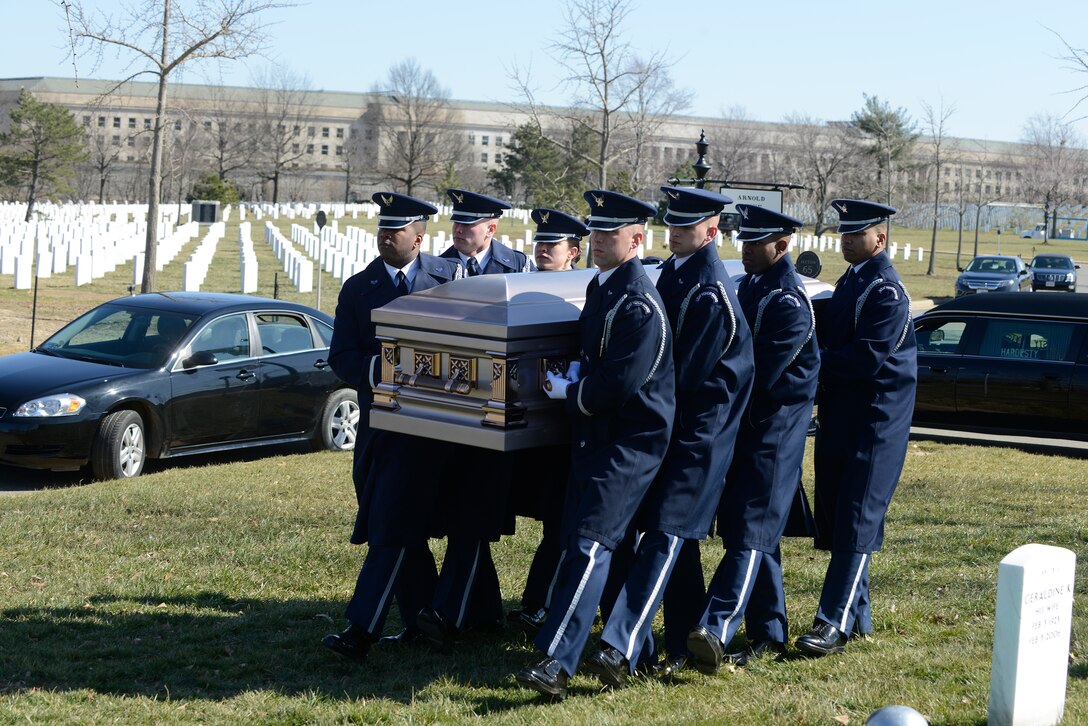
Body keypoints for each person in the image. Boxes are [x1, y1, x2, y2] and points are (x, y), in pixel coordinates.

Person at [581, 186, 754, 687]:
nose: (676, 231)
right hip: (669, 431)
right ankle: (678, 641)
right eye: (672, 223)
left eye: (688, 225)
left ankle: (621, 647)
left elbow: (683, 378)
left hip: (698, 438)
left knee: (666, 537)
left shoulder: (708, 292)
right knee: (671, 540)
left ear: (712, 231)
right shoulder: (675, 276)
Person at [514, 190, 675, 700]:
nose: (601, 241)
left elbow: (619, 384)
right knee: (607, 546)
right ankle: (638, 656)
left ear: (637, 240)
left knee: (587, 545)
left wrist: (570, 391)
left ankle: (556, 663)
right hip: (597, 436)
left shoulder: (638, 302)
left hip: (630, 442)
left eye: (612, 234)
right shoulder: (604, 287)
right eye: (597, 232)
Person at [320, 192, 463, 662]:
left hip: (434, 427)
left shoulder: (447, 279)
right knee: (399, 525)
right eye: (383, 229)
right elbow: (341, 357)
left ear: (419, 238)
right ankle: (429, 616)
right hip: (381, 426)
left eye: (396, 230)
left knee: (392, 525)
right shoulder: (358, 288)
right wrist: (384, 371)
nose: (386, 236)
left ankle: (361, 629)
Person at [686, 204, 819, 673]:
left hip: (774, 435)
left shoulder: (787, 301)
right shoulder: (754, 287)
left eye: (754, 243)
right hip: (751, 430)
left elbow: (757, 375)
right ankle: (770, 631)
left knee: (750, 533)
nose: (743, 250)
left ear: (782, 246)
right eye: (741, 241)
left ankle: (717, 627)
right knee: (757, 532)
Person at [794, 199, 917, 657]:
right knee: (845, 516)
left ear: (879, 239)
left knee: (858, 519)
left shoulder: (885, 290)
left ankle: (833, 622)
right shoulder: (854, 279)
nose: (846, 241)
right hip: (845, 417)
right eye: (843, 235)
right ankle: (860, 615)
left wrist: (809, 363)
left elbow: (865, 358)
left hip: (875, 421)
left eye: (855, 235)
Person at [417, 189, 534, 647]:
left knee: (476, 512)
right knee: (468, 514)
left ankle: (449, 610)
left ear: (492, 228)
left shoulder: (517, 266)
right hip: (455, 408)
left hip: (501, 409)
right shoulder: (440, 269)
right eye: (456, 223)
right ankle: (484, 612)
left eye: (470, 224)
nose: (460, 231)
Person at [506, 207, 589, 637]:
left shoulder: (584, 291)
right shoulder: (523, 286)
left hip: (569, 425)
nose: (541, 248)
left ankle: (539, 604)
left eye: (551, 244)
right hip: (530, 426)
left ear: (573, 252)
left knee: (561, 522)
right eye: (539, 242)